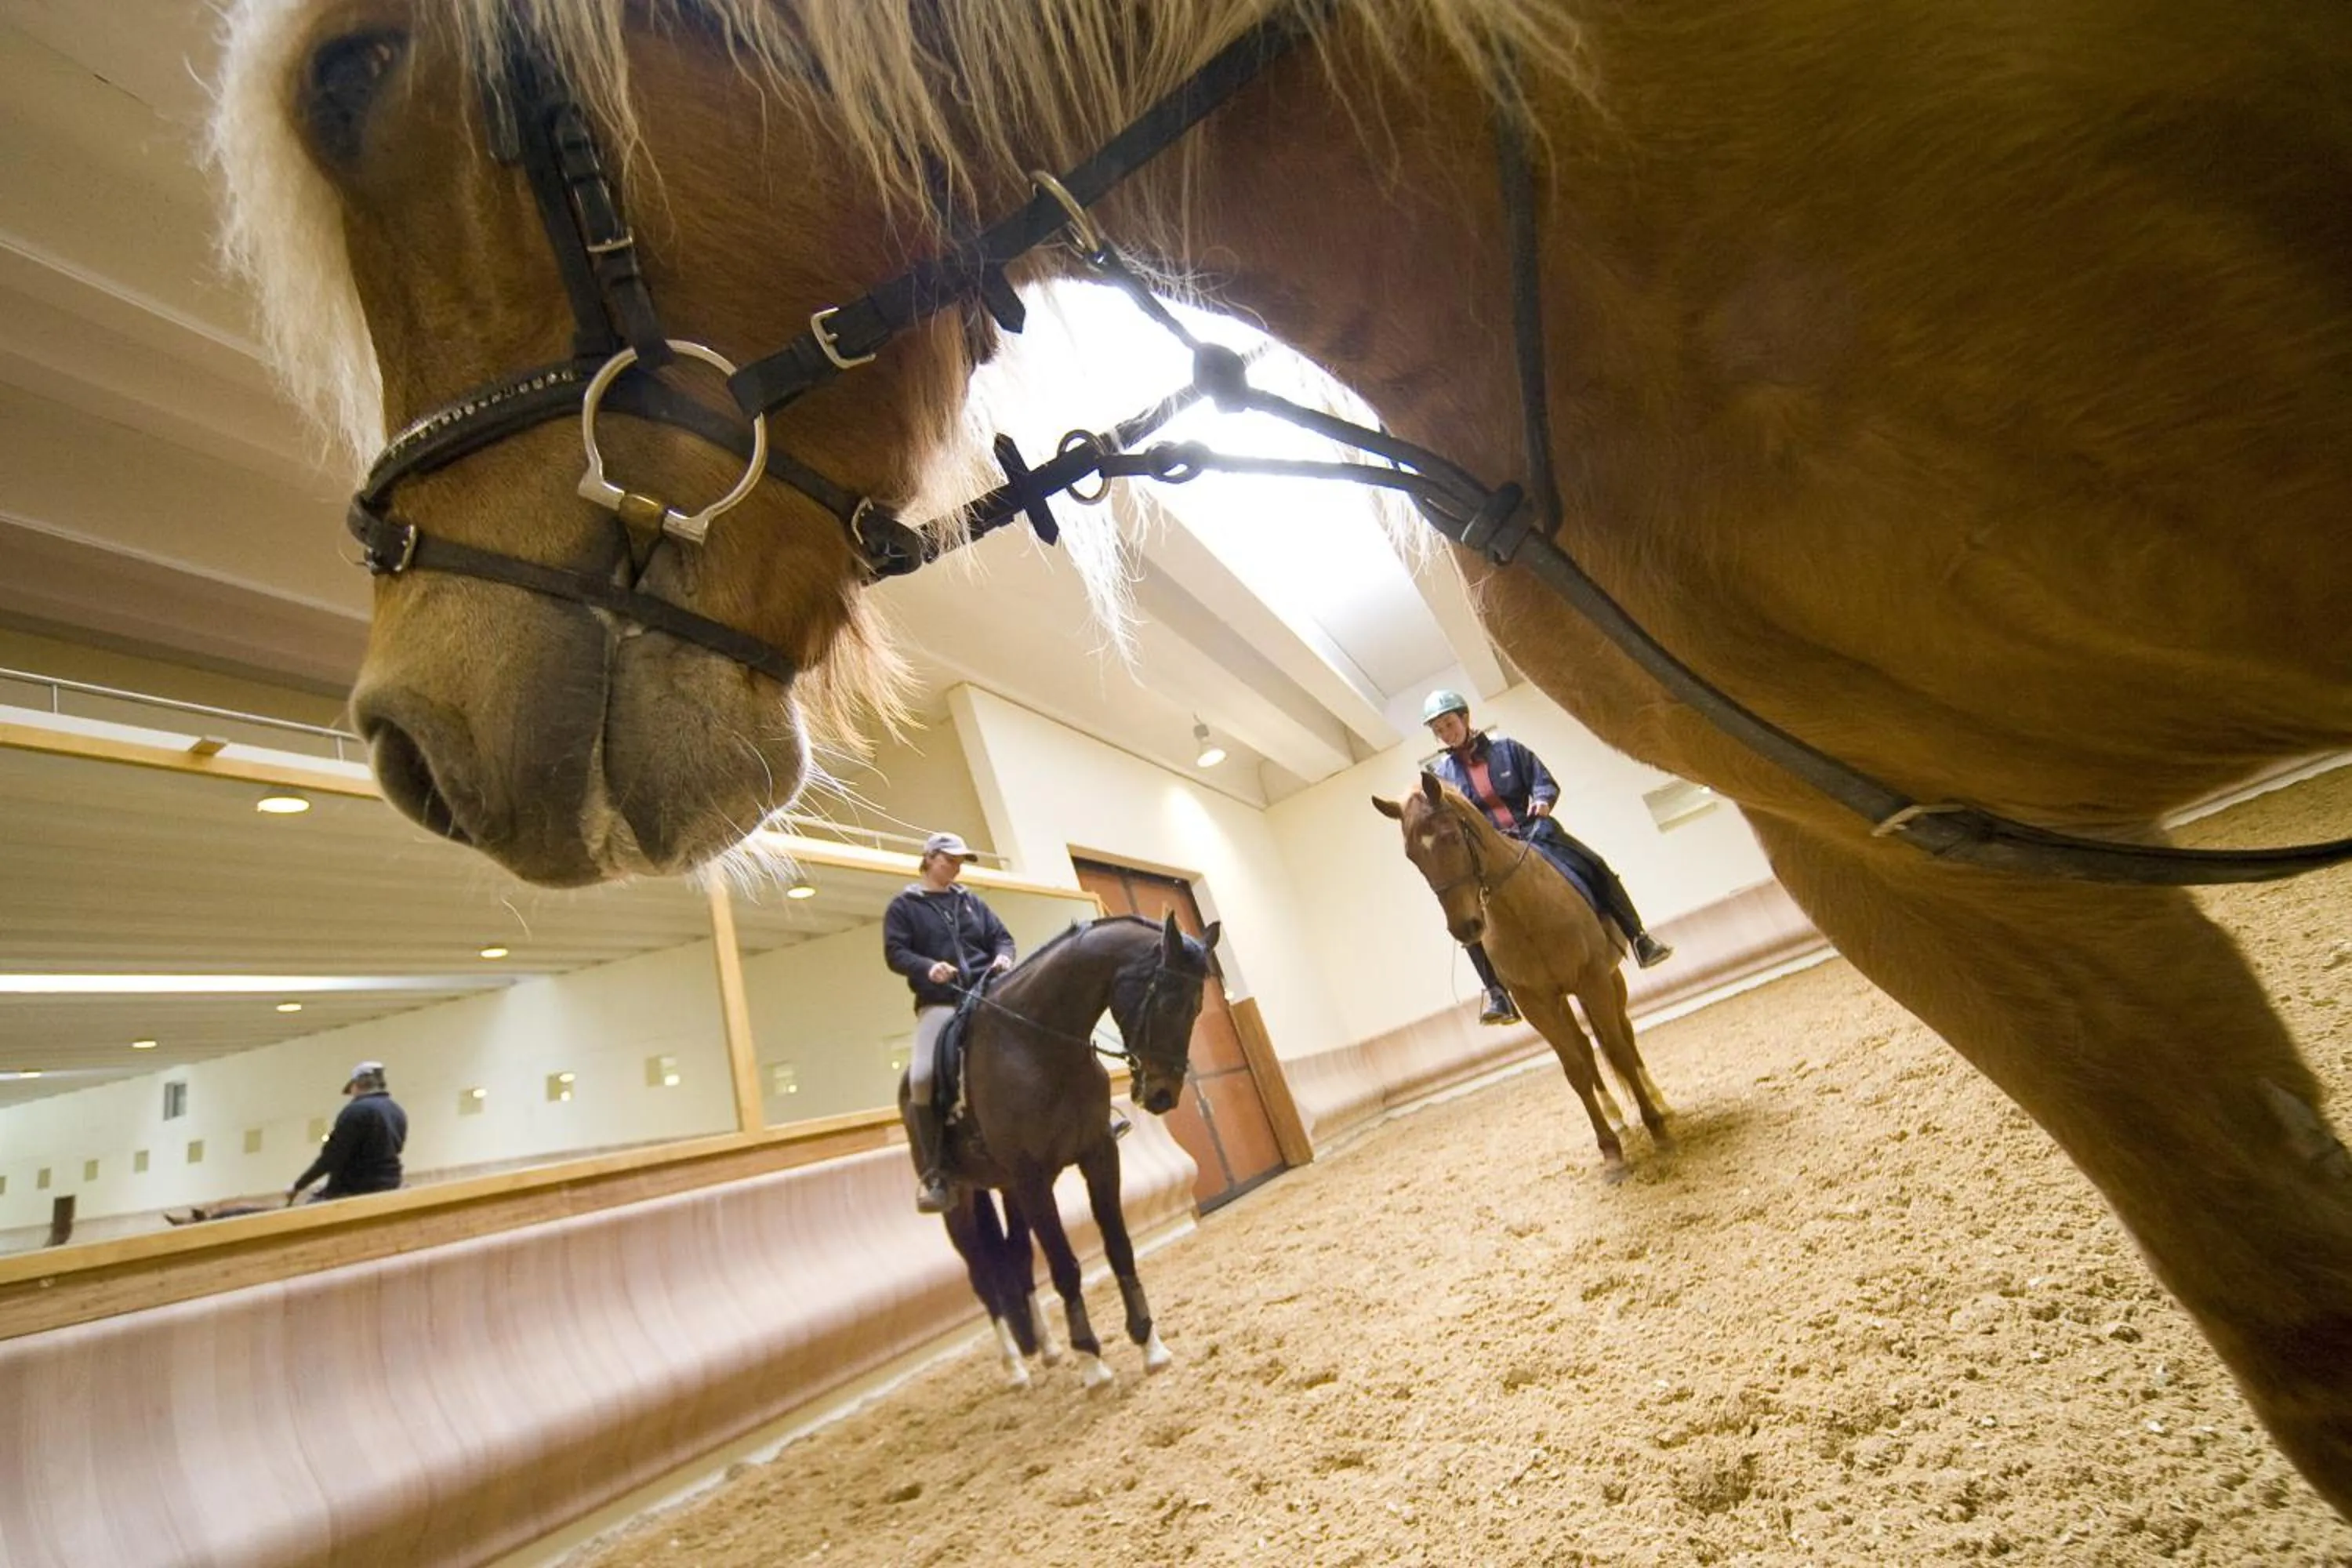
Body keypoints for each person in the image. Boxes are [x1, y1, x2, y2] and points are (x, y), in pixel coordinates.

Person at [1421, 689, 1675, 1025]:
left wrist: (1541, 799)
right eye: (1438, 729)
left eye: (1449, 724)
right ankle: (1497, 993)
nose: (1445, 733)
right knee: (1466, 918)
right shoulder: (1444, 777)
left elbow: (1544, 781)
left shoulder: (1509, 750)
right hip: (1489, 858)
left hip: (1536, 833)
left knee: (1594, 864)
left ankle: (1640, 937)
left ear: (1465, 718)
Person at [883, 831, 1017, 1214]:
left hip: (987, 993)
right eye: (950, 860)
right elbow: (895, 953)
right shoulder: (905, 906)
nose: (956, 868)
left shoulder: (973, 902)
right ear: (928, 858)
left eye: (960, 862)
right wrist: (928, 967)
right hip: (940, 1002)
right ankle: (936, 1173)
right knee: (922, 1076)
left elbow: (1002, 939)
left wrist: (1004, 958)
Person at [289, 1060, 408, 1203]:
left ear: (356, 1085)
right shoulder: (397, 1111)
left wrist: (298, 1185)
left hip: (356, 1190)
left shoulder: (354, 1112)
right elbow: (398, 1148)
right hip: (391, 1185)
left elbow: (331, 1157)